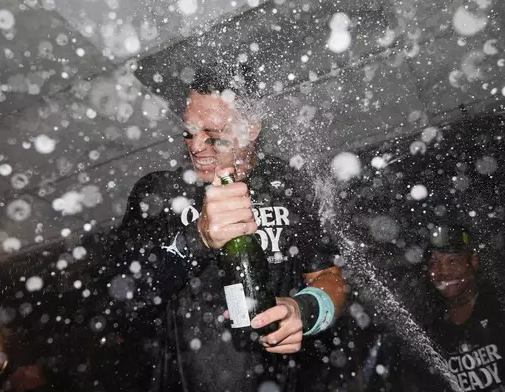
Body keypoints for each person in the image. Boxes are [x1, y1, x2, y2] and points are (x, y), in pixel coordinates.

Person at [88, 62, 348, 392]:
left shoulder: (291, 187)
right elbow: (116, 300)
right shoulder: (161, 194)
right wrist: (197, 239)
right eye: (189, 131)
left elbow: (331, 279)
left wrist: (304, 310)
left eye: (212, 134)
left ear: (251, 128)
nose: (196, 147)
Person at [424, 224, 505, 391]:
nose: (443, 272)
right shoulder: (431, 333)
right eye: (433, 263)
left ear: (473, 262)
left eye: (452, 260)